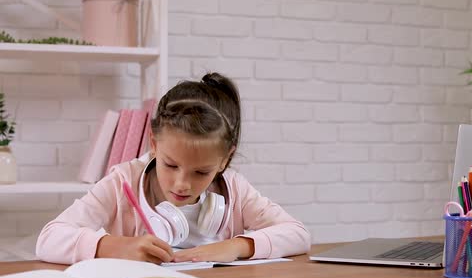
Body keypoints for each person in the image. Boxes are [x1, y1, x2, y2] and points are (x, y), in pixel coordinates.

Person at [36, 72, 311, 265]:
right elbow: (48, 239)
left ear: (225, 160)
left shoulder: (235, 190)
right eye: (171, 164)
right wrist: (114, 245)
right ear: (153, 144)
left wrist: (237, 246)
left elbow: (298, 234)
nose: (182, 184)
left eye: (201, 172)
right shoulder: (123, 182)